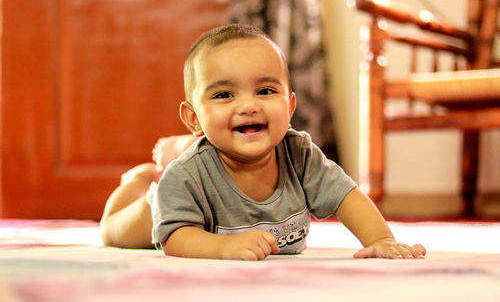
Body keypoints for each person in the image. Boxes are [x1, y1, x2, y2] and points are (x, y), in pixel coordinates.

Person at [101, 24, 426, 260]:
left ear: (290, 106)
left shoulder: (299, 155)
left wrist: (381, 239)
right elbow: (175, 237)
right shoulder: (187, 176)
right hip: (170, 206)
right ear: (194, 118)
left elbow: (347, 197)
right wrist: (224, 247)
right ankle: (140, 182)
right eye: (224, 94)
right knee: (117, 232)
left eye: (266, 91)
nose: (248, 105)